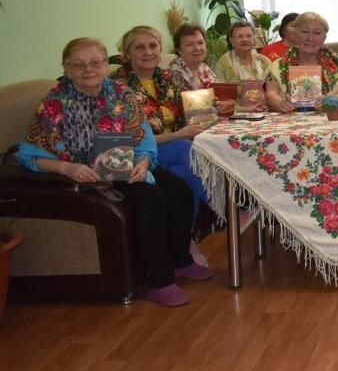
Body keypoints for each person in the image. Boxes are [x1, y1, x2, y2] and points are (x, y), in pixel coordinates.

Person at [20, 38, 213, 306]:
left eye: (95, 62)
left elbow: (144, 140)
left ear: (105, 63)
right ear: (66, 67)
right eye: (79, 64)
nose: (88, 69)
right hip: (85, 174)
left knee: (179, 191)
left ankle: (181, 260)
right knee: (150, 198)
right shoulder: (54, 102)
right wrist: (69, 168)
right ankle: (159, 281)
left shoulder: (121, 93)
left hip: (124, 162)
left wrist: (143, 162)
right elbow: (29, 155)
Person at [110, 26, 211, 223]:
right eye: (140, 47)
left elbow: (199, 112)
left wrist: (213, 109)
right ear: (127, 54)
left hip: (171, 150)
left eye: (153, 46)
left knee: (181, 174)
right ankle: (226, 209)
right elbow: (130, 140)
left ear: (160, 50)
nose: (148, 52)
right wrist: (178, 135)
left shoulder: (168, 77)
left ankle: (188, 236)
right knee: (184, 147)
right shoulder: (117, 85)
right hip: (137, 151)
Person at [266, 12, 338, 113]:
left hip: (327, 118)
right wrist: (281, 103)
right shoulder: (278, 65)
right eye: (305, 32)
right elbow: (271, 95)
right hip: (289, 119)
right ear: (295, 35)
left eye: (317, 33)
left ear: (324, 38)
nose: (310, 38)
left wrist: (329, 102)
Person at [169, 23, 215, 90]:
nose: (197, 48)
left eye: (200, 43)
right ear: (178, 50)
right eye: (190, 44)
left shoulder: (204, 68)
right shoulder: (174, 75)